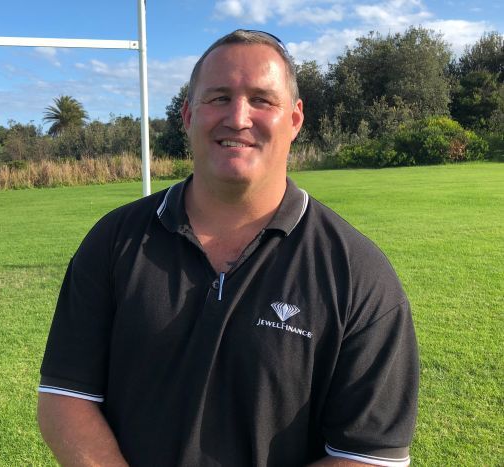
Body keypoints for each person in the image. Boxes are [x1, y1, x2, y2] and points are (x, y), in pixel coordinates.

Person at [37, 29, 419, 466]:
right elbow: (64, 399)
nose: (238, 117)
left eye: (261, 99)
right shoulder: (115, 240)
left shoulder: (357, 273)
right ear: (187, 115)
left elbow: (369, 457)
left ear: (294, 119)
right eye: (218, 97)